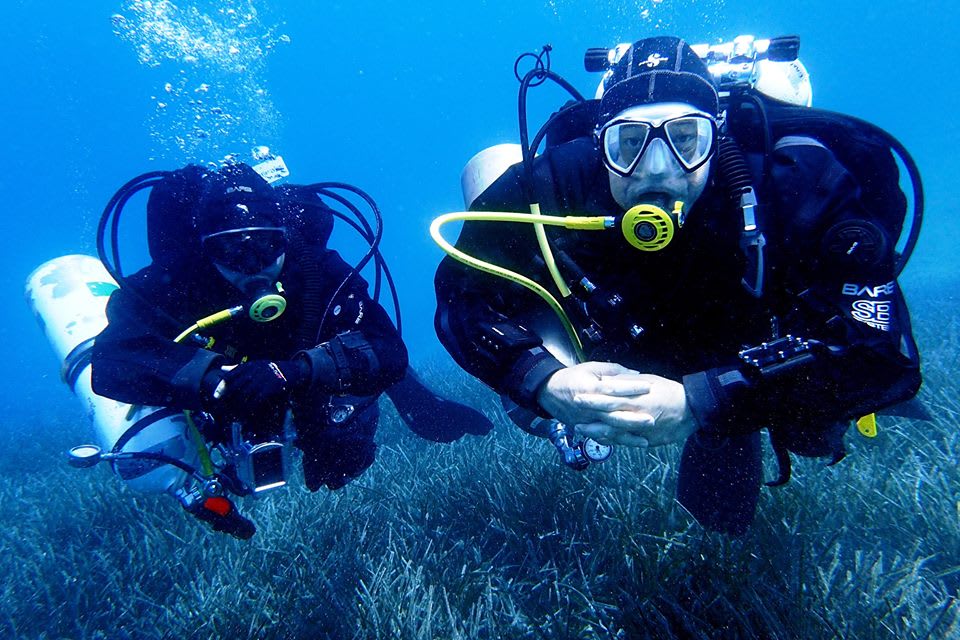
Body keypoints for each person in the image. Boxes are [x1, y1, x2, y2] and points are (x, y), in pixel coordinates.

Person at [433, 36, 922, 534]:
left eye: (687, 139)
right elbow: (460, 297)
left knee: (811, 432)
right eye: (628, 142)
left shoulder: (793, 184)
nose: (658, 169)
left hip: (747, 352)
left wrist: (705, 400)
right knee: (493, 181)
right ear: (598, 144)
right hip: (614, 336)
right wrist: (540, 378)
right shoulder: (556, 181)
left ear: (719, 137)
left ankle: (732, 421)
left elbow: (880, 353)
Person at [92, 162, 491, 538]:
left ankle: (398, 406)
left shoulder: (317, 270)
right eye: (230, 251)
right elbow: (111, 361)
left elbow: (385, 348)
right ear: (203, 249)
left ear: (285, 235)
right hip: (217, 387)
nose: (253, 266)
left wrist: (297, 372)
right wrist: (216, 380)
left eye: (267, 246)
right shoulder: (173, 282)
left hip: (301, 367)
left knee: (345, 453)